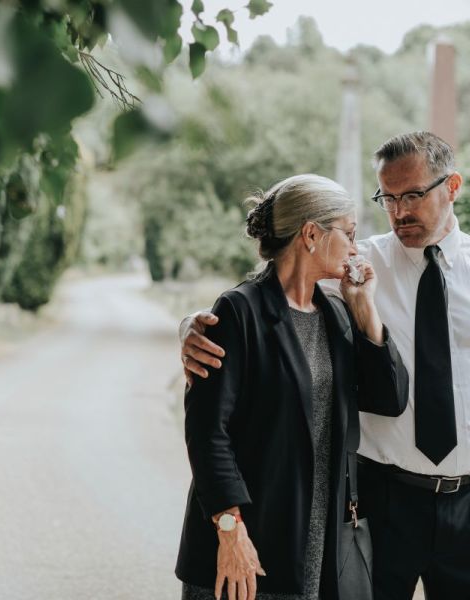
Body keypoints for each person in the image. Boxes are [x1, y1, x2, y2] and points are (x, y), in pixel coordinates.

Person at [180, 132, 470, 600]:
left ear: (452, 186)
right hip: (382, 501)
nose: (399, 212)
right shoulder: (354, 266)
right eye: (389, 198)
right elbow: (265, 295)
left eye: (413, 195)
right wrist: (193, 326)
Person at [175, 174, 409, 600]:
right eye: (349, 233)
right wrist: (231, 531)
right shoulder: (239, 311)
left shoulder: (336, 314)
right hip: (244, 546)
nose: (356, 248)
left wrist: (365, 309)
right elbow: (208, 433)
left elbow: (389, 399)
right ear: (311, 234)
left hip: (316, 550)